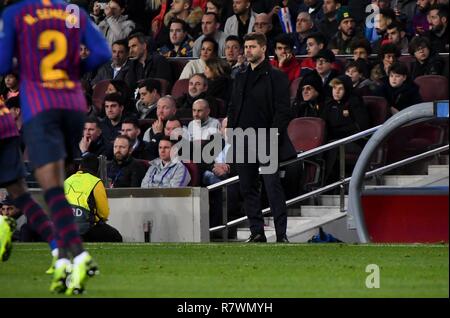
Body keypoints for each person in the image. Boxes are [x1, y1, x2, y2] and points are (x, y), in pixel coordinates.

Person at [0, 0, 111, 295]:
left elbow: (2, 64)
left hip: (41, 106)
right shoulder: (72, 12)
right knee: (31, 191)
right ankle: (60, 256)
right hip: (70, 105)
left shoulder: (16, 14)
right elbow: (101, 52)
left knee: (48, 191)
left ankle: (78, 255)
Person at [228, 32, 295, 243]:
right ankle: (257, 231)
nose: (248, 50)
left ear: (263, 48)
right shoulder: (240, 76)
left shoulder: (277, 76)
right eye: (246, 47)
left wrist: (273, 135)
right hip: (242, 138)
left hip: (267, 137)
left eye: (252, 47)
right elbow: (233, 107)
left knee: (272, 186)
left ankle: (281, 234)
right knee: (247, 187)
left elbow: (283, 110)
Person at [64, 154, 122, 242]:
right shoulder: (96, 182)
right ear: (97, 169)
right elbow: (104, 213)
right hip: (85, 230)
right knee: (116, 236)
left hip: (65, 229)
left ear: (80, 166)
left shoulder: (67, 181)